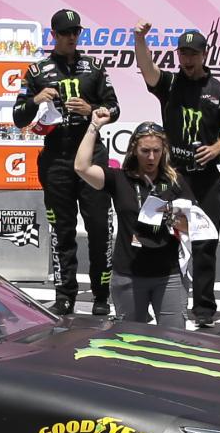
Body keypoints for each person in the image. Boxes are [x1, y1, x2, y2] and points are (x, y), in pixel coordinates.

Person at [12, 7, 119, 316]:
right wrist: (35, 100)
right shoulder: (36, 71)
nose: (72, 37)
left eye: (76, 32)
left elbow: (115, 107)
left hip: (91, 156)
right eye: (66, 33)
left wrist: (92, 110)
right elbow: (18, 118)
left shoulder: (94, 66)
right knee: (62, 229)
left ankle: (101, 294)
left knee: (100, 227)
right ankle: (65, 294)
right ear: (54, 35)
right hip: (56, 158)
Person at [133, 21, 220, 327]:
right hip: (173, 176)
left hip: (207, 178)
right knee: (160, 237)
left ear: (205, 54)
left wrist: (216, 148)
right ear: (178, 55)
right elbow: (146, 67)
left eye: (194, 53)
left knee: (205, 242)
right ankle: (161, 299)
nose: (189, 59)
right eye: (183, 53)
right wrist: (139, 39)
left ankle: (204, 308)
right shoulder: (168, 84)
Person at [74, 112, 188, 328]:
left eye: (156, 151)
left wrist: (171, 217)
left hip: (169, 273)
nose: (151, 157)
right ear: (134, 150)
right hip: (128, 273)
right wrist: (94, 126)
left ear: (164, 151)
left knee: (175, 342)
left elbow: (193, 225)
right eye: (145, 151)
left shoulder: (175, 180)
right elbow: (81, 167)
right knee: (130, 342)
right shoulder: (120, 178)